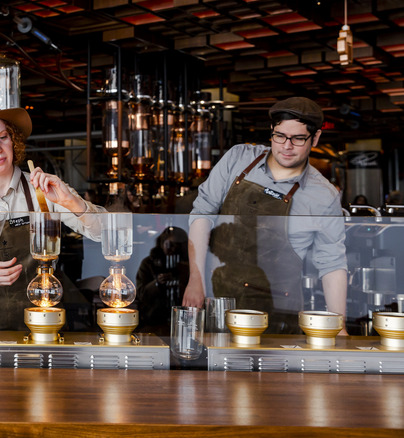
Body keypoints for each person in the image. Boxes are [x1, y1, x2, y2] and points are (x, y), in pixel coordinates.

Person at [0, 97, 105, 330]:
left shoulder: (45, 190)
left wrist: (71, 201)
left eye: (3, 137)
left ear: (13, 139)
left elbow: (105, 233)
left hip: (45, 323)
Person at [183, 96, 348, 334]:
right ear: (271, 131)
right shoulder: (238, 159)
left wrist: (339, 325)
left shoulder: (324, 195)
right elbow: (202, 214)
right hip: (219, 301)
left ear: (316, 137)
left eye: (298, 139)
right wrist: (195, 279)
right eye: (279, 136)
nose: (286, 146)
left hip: (278, 314)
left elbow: (332, 262)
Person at [135, 226, 189, 335]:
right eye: (169, 244)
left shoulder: (188, 265)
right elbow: (141, 294)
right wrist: (157, 283)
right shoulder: (148, 264)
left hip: (185, 320)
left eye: (177, 246)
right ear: (162, 243)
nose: (172, 249)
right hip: (154, 320)